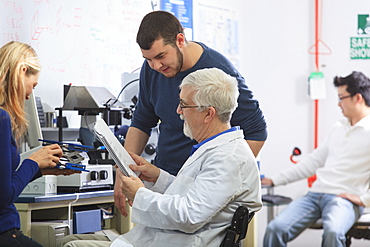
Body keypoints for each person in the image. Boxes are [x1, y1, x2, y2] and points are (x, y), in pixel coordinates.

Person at [59, 68, 262, 247]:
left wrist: (139, 194)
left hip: (178, 241)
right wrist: (158, 177)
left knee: (71, 246)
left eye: (184, 105)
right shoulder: (217, 150)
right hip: (164, 238)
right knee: (67, 241)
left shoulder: (228, 158)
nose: (178, 111)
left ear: (208, 114)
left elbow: (189, 216)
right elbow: (197, 197)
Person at [115, 10, 267, 217]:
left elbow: (257, 130)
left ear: (180, 40)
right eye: (148, 59)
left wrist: (218, 183)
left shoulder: (219, 72)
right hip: (163, 181)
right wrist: (124, 171)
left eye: (160, 56)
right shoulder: (151, 68)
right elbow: (142, 120)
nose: (155, 66)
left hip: (201, 188)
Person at [262, 71, 370, 247]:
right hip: (315, 194)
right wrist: (275, 180)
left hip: (343, 199)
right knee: (275, 228)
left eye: (341, 98)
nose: (338, 104)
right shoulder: (338, 128)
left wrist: (364, 200)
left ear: (358, 98)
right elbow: (312, 163)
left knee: (333, 232)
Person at [0, 41, 76, 247]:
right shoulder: (1, 118)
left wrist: (41, 169)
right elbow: (3, 196)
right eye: (32, 86)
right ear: (21, 71)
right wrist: (32, 163)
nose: (28, 95)